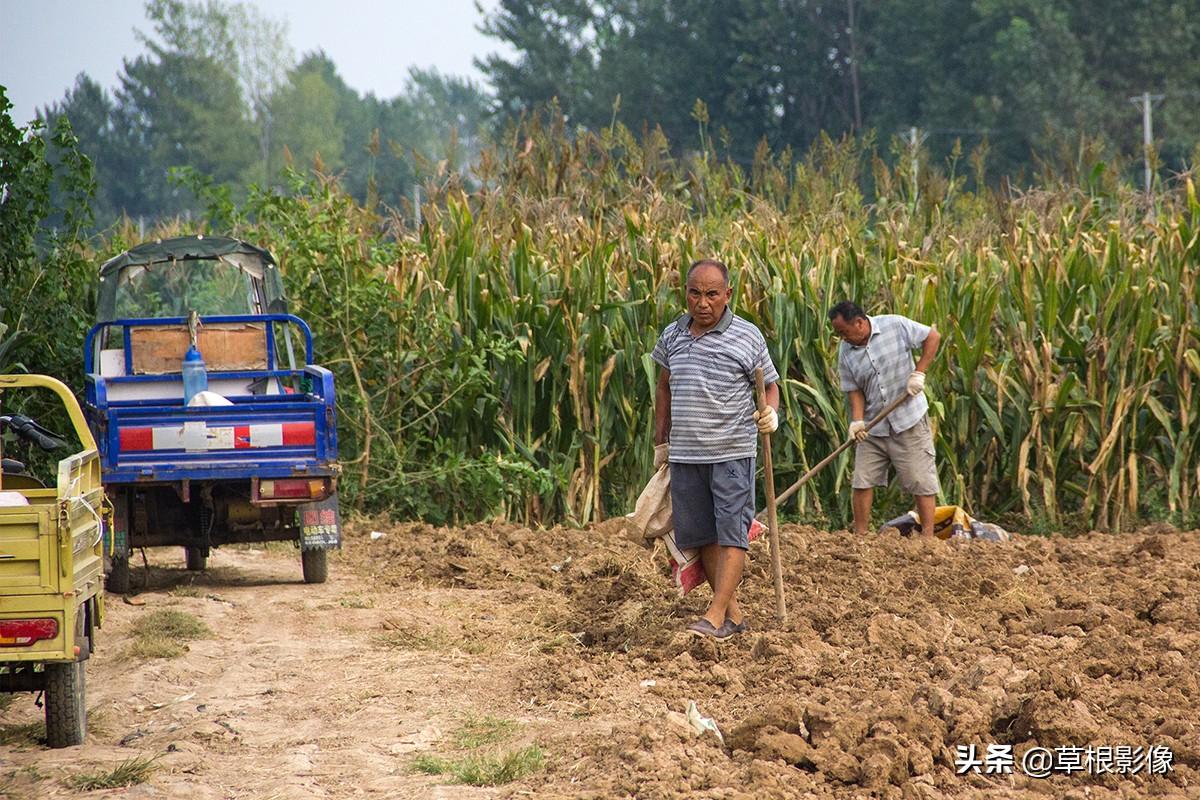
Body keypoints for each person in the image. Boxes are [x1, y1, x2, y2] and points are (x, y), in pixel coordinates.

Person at [652, 258, 780, 640]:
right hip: (686, 454)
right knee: (702, 535)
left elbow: (770, 385)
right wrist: (662, 440)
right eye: (695, 293)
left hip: (731, 453)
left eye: (711, 294)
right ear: (685, 293)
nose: (702, 302)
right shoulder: (672, 334)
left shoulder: (747, 336)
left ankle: (715, 613)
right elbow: (664, 386)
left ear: (728, 295)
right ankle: (733, 615)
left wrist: (770, 412)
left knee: (731, 534)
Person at [827, 301, 941, 537]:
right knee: (862, 479)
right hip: (873, 425)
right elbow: (854, 389)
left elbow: (932, 336)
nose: (842, 338)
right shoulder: (846, 352)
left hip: (908, 419)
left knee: (921, 480)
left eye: (843, 332)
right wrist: (857, 421)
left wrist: (919, 372)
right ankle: (860, 536)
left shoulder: (895, 325)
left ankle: (928, 536)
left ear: (858, 323)